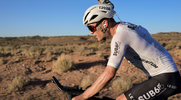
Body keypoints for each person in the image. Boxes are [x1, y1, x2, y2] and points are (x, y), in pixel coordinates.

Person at [72, 0, 181, 100]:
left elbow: (109, 74)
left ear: (104, 24)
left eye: (91, 27)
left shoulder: (120, 36)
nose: (91, 32)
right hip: (163, 76)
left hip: (166, 78)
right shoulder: (127, 26)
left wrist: (84, 96)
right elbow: (110, 12)